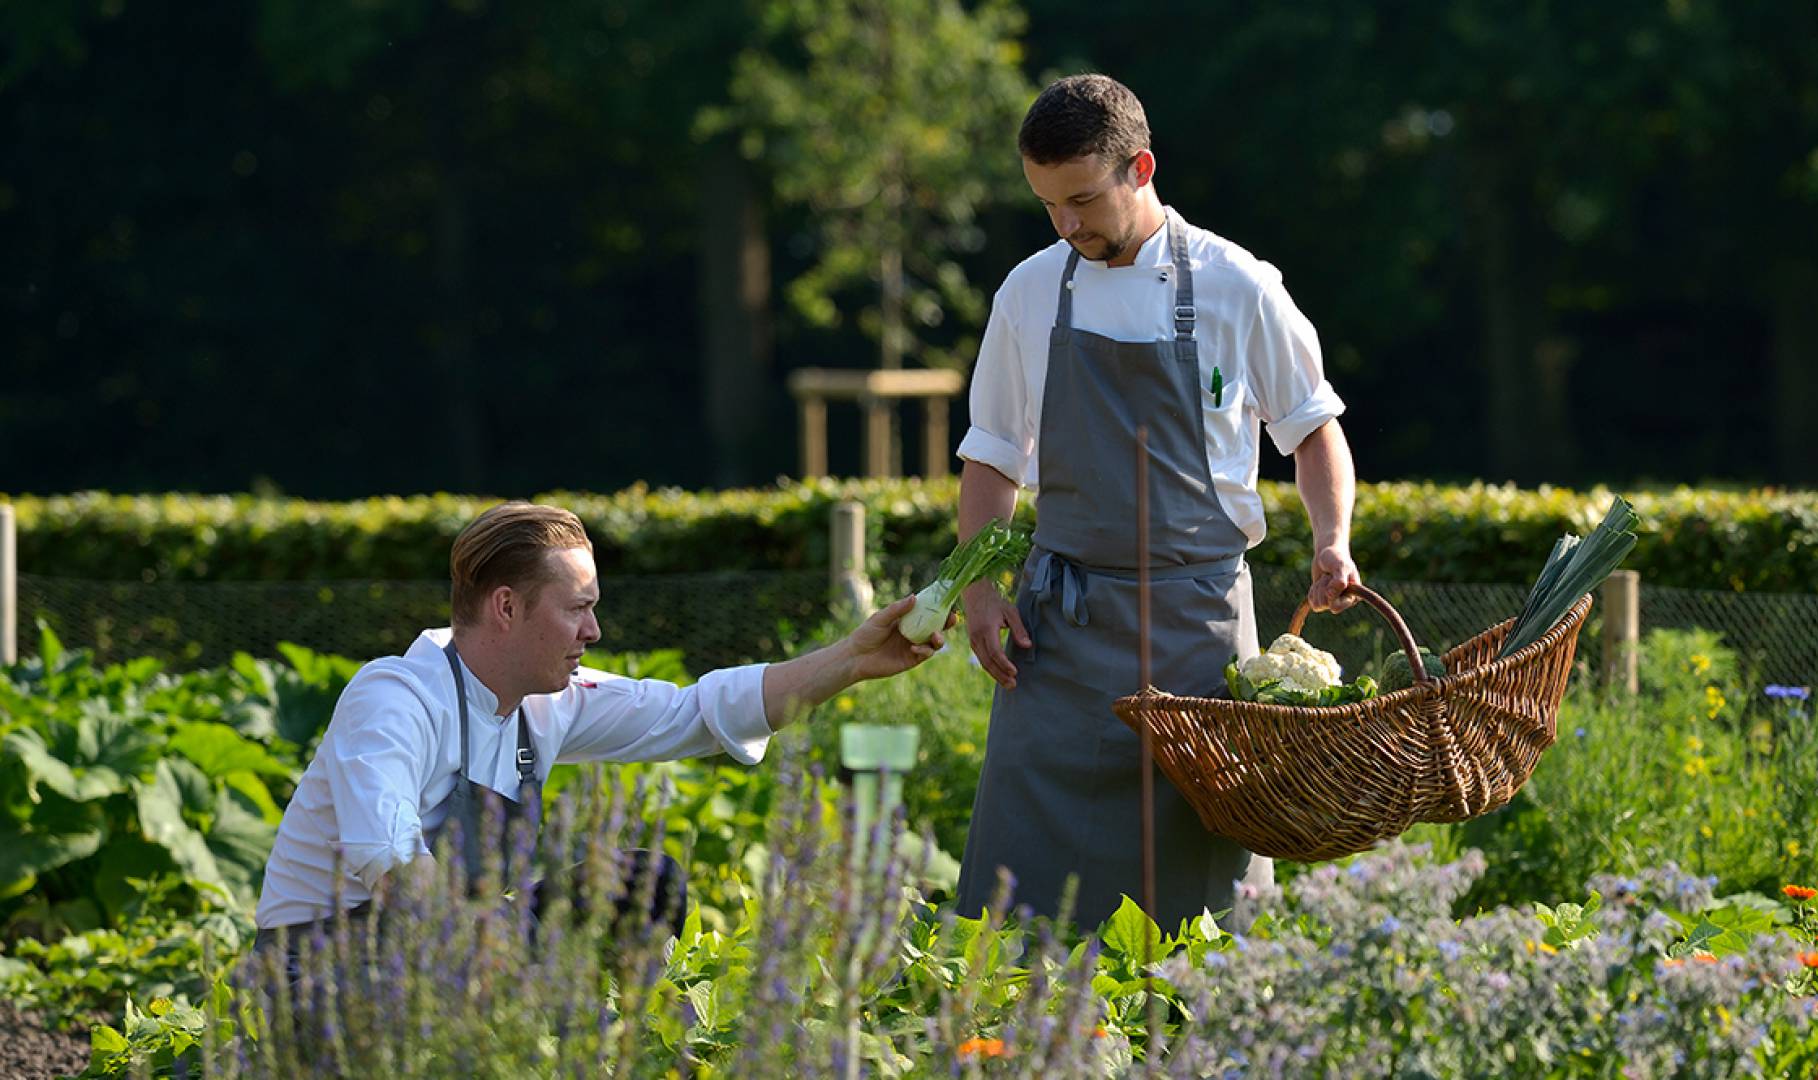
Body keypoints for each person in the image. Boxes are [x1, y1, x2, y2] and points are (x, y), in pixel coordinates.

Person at [953, 74, 1362, 927]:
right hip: (1055, 634)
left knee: (1197, 886)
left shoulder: (1236, 286)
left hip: (1196, 639)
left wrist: (1334, 539)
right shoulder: (1029, 292)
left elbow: (1314, 429)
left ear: (1140, 168)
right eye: (1047, 206)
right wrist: (980, 587)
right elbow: (993, 456)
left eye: (1081, 200)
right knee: (1019, 878)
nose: (1066, 226)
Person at [254, 501, 946, 944]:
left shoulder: (547, 699)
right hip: (320, 970)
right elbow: (391, 859)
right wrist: (486, 956)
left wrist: (853, 657)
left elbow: (700, 711)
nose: (595, 628)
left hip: (448, 954)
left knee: (648, 884)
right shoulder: (395, 696)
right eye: (577, 607)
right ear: (506, 608)